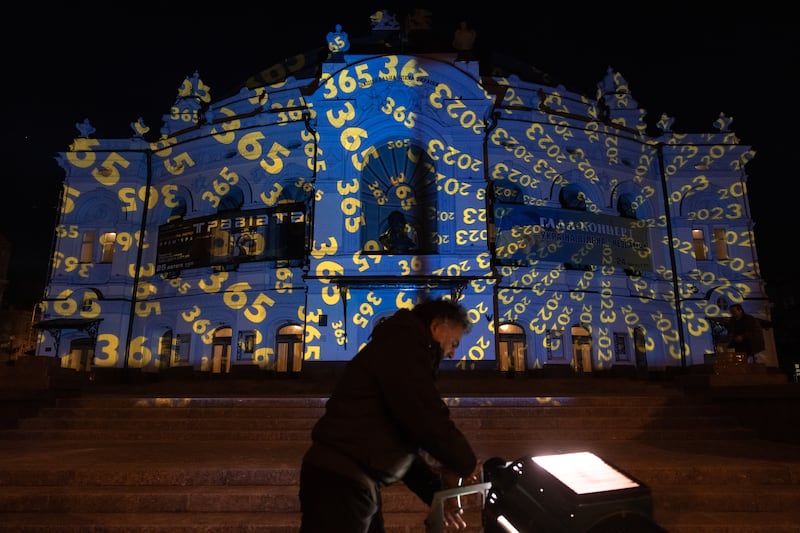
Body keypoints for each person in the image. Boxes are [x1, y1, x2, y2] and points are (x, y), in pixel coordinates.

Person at [299, 297, 482, 532]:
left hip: (348, 481)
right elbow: (426, 418)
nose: (452, 353)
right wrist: (465, 463)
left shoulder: (398, 345)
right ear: (436, 327)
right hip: (340, 483)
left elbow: (401, 437)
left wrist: (434, 491)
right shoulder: (404, 349)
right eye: (454, 342)